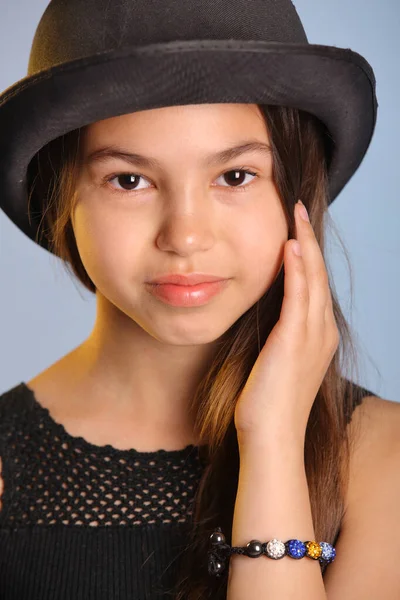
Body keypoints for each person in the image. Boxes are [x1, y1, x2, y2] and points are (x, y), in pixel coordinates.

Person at [0, 0, 399, 598]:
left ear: (295, 188)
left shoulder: (382, 458)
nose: (185, 235)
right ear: (62, 199)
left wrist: (273, 439)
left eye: (235, 176)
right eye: (129, 180)